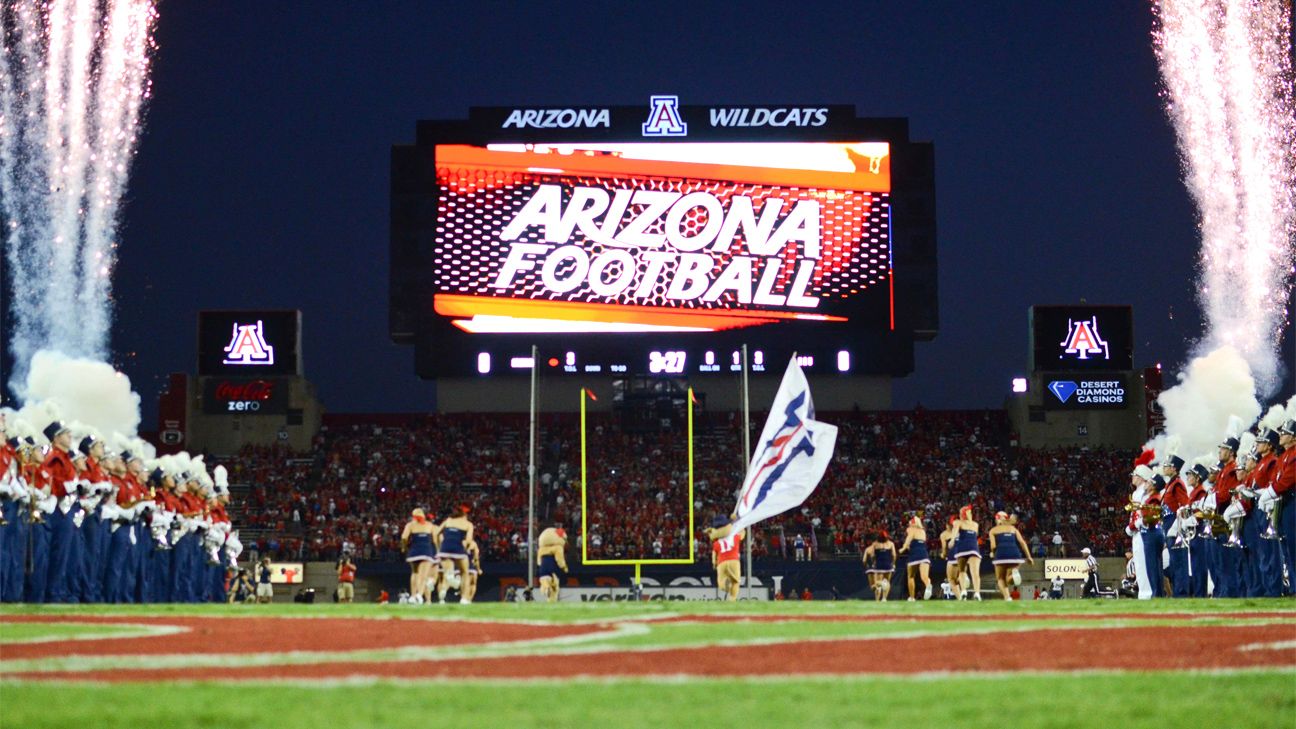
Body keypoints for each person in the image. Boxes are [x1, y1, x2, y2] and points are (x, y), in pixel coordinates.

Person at [987, 511, 1033, 600]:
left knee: (1000, 579)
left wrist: (992, 552)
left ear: (998, 519)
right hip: (1015, 554)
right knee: (1008, 579)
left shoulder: (993, 530)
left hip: (1001, 555)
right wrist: (1029, 557)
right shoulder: (1013, 528)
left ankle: (1007, 597)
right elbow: (1022, 543)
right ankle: (1013, 575)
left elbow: (993, 546)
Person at [435, 504, 474, 604]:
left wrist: (439, 547)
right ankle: (464, 598)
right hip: (458, 546)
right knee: (465, 572)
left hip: (445, 547)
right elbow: (469, 540)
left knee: (448, 568)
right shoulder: (468, 524)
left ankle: (450, 576)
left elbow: (436, 533)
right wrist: (465, 548)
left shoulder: (448, 520)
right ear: (464, 515)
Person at [400, 508, 437, 605]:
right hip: (426, 551)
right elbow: (435, 540)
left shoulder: (410, 525)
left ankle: (412, 595)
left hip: (414, 551)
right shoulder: (430, 525)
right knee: (423, 575)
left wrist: (404, 548)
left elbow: (404, 537)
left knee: (415, 573)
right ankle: (419, 595)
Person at [708, 515, 743, 601]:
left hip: (721, 562)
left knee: (721, 584)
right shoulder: (734, 536)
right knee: (735, 581)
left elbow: (714, 554)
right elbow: (742, 533)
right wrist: (737, 522)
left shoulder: (716, 542)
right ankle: (732, 599)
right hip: (734, 560)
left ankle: (726, 584)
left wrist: (714, 563)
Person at [897, 515, 933, 601]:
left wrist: (903, 548)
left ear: (912, 523)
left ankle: (912, 597)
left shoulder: (910, 529)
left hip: (914, 555)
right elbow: (918, 542)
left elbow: (909, 539)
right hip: (924, 554)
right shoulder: (922, 531)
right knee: (924, 577)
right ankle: (928, 585)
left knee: (911, 576)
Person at [952, 505, 983, 600]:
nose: (971, 513)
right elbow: (975, 535)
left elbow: (955, 531)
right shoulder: (975, 525)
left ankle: (964, 591)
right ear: (966, 513)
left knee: (962, 571)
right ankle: (977, 593)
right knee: (975, 573)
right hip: (973, 547)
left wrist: (952, 540)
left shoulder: (958, 522)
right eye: (969, 512)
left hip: (962, 548)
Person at [536, 521, 568, 602]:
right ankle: (552, 600)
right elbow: (559, 559)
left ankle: (546, 589)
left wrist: (540, 566)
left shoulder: (541, 549)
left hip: (543, 567)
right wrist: (564, 567)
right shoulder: (558, 547)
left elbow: (539, 561)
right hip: (552, 566)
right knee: (555, 586)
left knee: (544, 581)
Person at [863, 531, 895, 602]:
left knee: (874, 586)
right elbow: (894, 555)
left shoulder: (868, 549)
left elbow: (865, 560)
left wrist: (866, 566)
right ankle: (884, 598)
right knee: (884, 583)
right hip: (880, 566)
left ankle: (877, 600)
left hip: (872, 568)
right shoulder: (887, 544)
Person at [939, 515, 961, 600]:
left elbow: (944, 549)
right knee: (958, 578)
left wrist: (943, 555)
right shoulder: (961, 531)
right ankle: (963, 588)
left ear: (947, 525)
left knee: (951, 579)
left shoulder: (944, 534)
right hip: (963, 555)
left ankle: (960, 599)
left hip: (952, 556)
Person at [463, 538, 482, 603]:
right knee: (472, 584)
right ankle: (469, 599)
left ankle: (466, 598)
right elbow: (476, 558)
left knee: (466, 583)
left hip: (464, 566)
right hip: (472, 567)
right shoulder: (474, 544)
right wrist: (478, 569)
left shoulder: (461, 542)